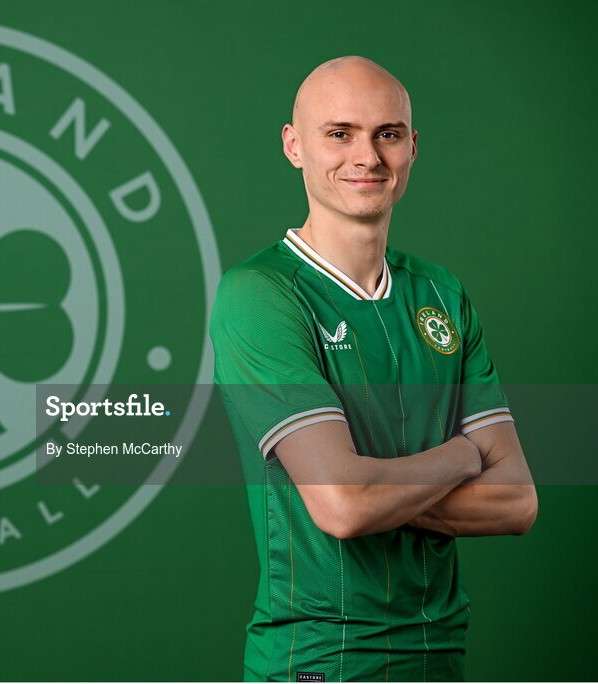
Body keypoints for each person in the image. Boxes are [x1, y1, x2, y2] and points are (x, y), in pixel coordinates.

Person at [209, 56, 537, 682]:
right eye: (340, 133)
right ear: (294, 145)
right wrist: (465, 457)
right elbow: (342, 507)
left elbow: (517, 503)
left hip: (440, 652)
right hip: (320, 659)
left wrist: (364, 486)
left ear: (413, 147)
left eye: (387, 134)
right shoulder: (261, 294)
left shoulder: (442, 294)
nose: (367, 157)